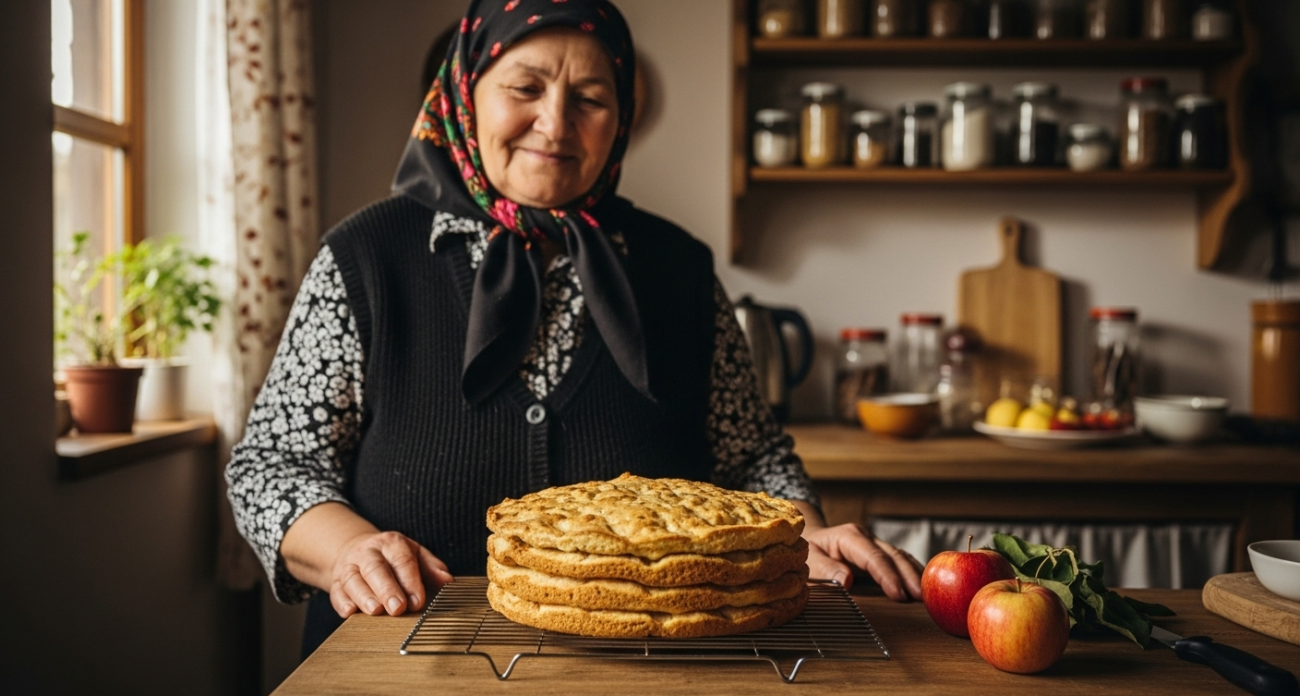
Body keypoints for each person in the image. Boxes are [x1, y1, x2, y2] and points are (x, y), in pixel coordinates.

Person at [226, 0, 922, 657]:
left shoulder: (678, 268)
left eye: (590, 99)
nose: (556, 124)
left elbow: (750, 459)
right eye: (525, 88)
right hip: (402, 659)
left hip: (655, 670)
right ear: (465, 93)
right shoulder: (366, 258)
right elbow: (271, 467)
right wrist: (350, 549)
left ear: (619, 121)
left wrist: (805, 533)